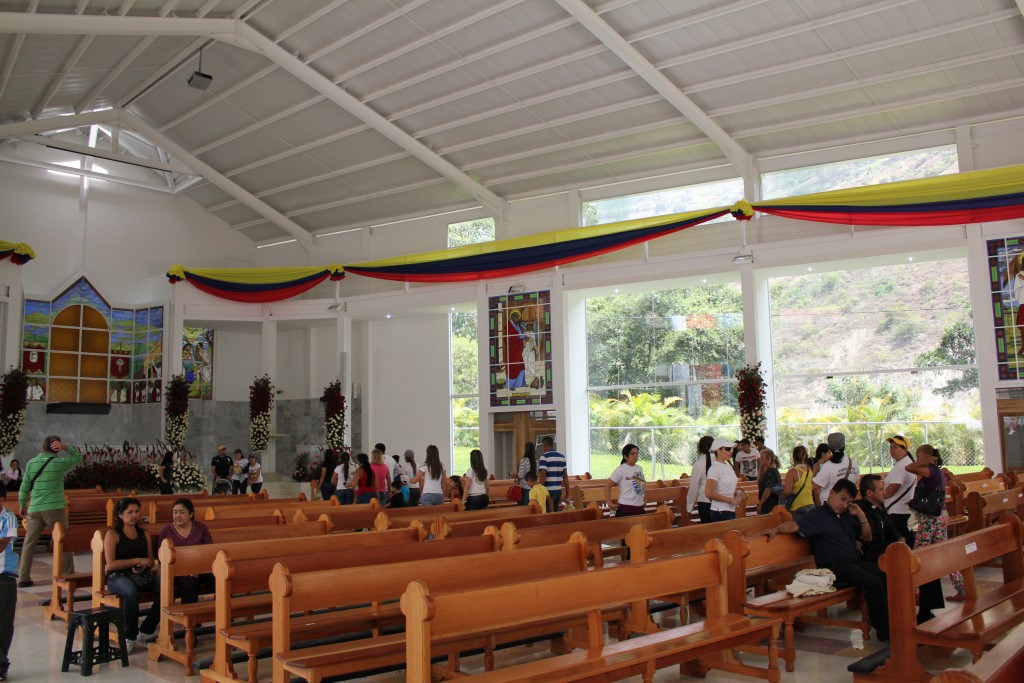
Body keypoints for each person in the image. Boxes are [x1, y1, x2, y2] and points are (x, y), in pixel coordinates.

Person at [766, 479, 889, 643]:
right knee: (874, 583)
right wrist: (776, 528)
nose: (844, 505)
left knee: (886, 574)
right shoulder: (818, 515)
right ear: (831, 493)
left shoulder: (845, 516)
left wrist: (861, 515)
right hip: (834, 569)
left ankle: (892, 623)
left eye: (849, 502)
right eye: (842, 499)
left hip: (854, 563)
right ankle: (885, 632)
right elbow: (794, 525)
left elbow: (867, 536)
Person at [905, 444, 966, 620]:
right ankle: (961, 587)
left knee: (919, 552)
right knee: (942, 550)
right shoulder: (937, 471)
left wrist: (922, 462)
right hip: (941, 513)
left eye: (919, 455)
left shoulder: (930, 471)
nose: (916, 459)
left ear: (926, 455)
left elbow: (908, 467)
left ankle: (916, 590)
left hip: (931, 516)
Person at [17, 436, 82, 587]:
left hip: (34, 508)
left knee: (29, 543)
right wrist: (65, 446)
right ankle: (67, 575)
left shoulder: (31, 463)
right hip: (55, 509)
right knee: (63, 540)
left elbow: (24, 486)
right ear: (56, 448)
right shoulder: (59, 463)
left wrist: (22, 504)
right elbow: (78, 456)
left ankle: (23, 578)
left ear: (42, 447)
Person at [104, 498, 159, 653]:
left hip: (141, 575)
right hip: (118, 577)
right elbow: (111, 564)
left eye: (136, 511)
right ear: (120, 515)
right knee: (130, 592)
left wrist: (144, 564)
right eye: (130, 512)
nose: (134, 515)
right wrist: (135, 560)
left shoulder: (144, 534)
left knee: (166, 586)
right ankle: (129, 635)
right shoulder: (113, 534)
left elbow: (150, 559)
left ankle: (147, 630)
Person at [157, 499, 213, 603]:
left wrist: (196, 567)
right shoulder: (167, 531)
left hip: (200, 567)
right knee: (190, 582)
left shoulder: (201, 528)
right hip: (176, 570)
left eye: (182, 512)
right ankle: (189, 617)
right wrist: (186, 569)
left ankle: (226, 612)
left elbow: (209, 551)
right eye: (175, 512)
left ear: (191, 514)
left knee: (220, 577)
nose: (177, 515)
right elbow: (162, 558)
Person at [854, 474, 902, 564]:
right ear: (869, 493)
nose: (884, 492)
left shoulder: (878, 509)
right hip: (870, 559)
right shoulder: (856, 509)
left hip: (886, 554)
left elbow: (893, 533)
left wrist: (901, 541)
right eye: (881, 489)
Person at [882, 435, 917, 546]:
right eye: (891, 447)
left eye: (895, 447)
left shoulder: (903, 466)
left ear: (905, 449)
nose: (892, 450)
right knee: (907, 541)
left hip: (897, 512)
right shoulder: (905, 463)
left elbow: (891, 490)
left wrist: (878, 495)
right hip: (901, 511)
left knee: (901, 545)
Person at [0, 501, 19, 681]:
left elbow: (1, 544)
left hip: (3, 576)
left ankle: (1, 666)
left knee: (3, 623)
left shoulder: (8, 518)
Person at [812, 432, 860, 502]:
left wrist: (815, 471)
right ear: (844, 446)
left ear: (830, 448)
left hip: (831, 507)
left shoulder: (828, 466)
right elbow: (856, 481)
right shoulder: (853, 463)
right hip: (848, 504)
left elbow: (813, 486)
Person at [705, 438, 744, 521]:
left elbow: (723, 488)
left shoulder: (727, 466)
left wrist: (736, 493)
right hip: (720, 511)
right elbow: (709, 493)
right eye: (727, 449)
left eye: (731, 449)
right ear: (718, 450)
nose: (730, 451)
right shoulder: (714, 468)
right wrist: (730, 500)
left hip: (729, 509)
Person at [605, 443, 646, 517]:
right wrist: (609, 503)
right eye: (632, 454)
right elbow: (607, 486)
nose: (635, 455)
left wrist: (643, 499)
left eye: (637, 453)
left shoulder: (640, 468)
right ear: (625, 456)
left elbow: (641, 486)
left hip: (640, 508)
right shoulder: (621, 469)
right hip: (626, 509)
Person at [781, 445, 816, 519]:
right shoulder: (810, 471)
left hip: (798, 508)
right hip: (811, 506)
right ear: (806, 457)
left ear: (793, 457)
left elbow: (787, 492)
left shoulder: (793, 472)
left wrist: (781, 496)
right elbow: (814, 490)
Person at [685, 436, 714, 524]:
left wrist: (689, 507)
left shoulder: (699, 464)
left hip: (705, 502)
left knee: (708, 532)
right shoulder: (722, 461)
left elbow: (694, 487)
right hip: (721, 501)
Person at [538, 436, 569, 511]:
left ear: (544, 445)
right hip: (558, 490)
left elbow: (543, 474)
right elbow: (565, 476)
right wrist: (567, 494)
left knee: (547, 513)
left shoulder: (544, 457)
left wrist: (539, 488)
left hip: (548, 491)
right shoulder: (562, 457)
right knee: (554, 511)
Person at [505, 309, 527, 389]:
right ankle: (511, 386)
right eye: (517, 317)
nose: (518, 319)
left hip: (517, 352)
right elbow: (508, 339)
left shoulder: (518, 325)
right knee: (512, 369)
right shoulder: (508, 326)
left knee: (521, 367)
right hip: (511, 353)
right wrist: (521, 337)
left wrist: (523, 336)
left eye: (518, 317)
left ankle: (520, 384)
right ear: (512, 317)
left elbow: (520, 334)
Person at [756, 448, 781, 515]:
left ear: (768, 459)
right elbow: (758, 481)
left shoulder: (771, 472)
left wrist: (760, 504)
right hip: (767, 502)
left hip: (770, 502)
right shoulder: (767, 471)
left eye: (762, 457)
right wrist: (761, 466)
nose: (759, 459)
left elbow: (768, 490)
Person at [516, 442, 537, 506]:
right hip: (532, 488)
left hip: (524, 488)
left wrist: (515, 475)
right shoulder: (535, 461)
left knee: (523, 510)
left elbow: (520, 475)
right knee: (531, 509)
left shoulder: (524, 460)